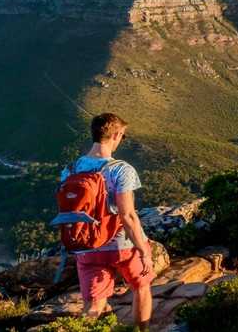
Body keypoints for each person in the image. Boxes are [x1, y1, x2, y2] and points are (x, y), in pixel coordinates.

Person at [60, 113, 154, 329]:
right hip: (122, 245)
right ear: (117, 135)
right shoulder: (121, 169)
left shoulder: (70, 170)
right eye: (123, 136)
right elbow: (127, 215)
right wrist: (143, 250)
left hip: (86, 246)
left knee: (93, 306)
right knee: (141, 286)